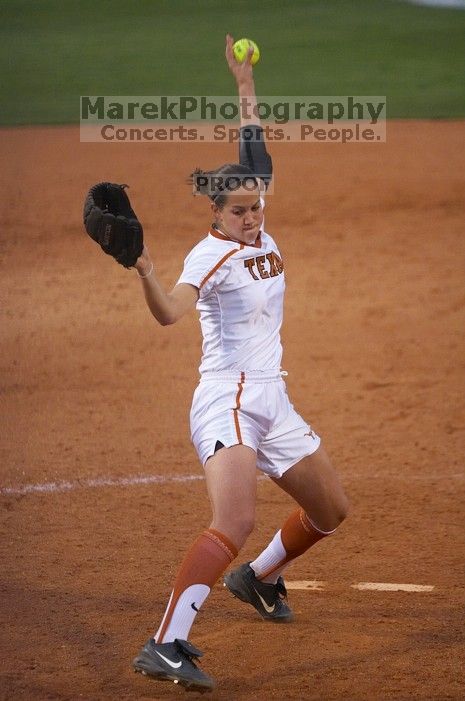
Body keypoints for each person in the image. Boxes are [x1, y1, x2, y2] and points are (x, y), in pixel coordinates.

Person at [132, 34, 349, 693]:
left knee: (330, 509)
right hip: (226, 397)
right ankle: (165, 642)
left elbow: (254, 142)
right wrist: (142, 266)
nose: (255, 217)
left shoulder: (255, 210)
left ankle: (256, 577)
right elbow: (172, 312)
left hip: (272, 398)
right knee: (235, 518)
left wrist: (244, 81)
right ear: (216, 212)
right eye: (241, 210)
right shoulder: (208, 256)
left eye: (259, 206)